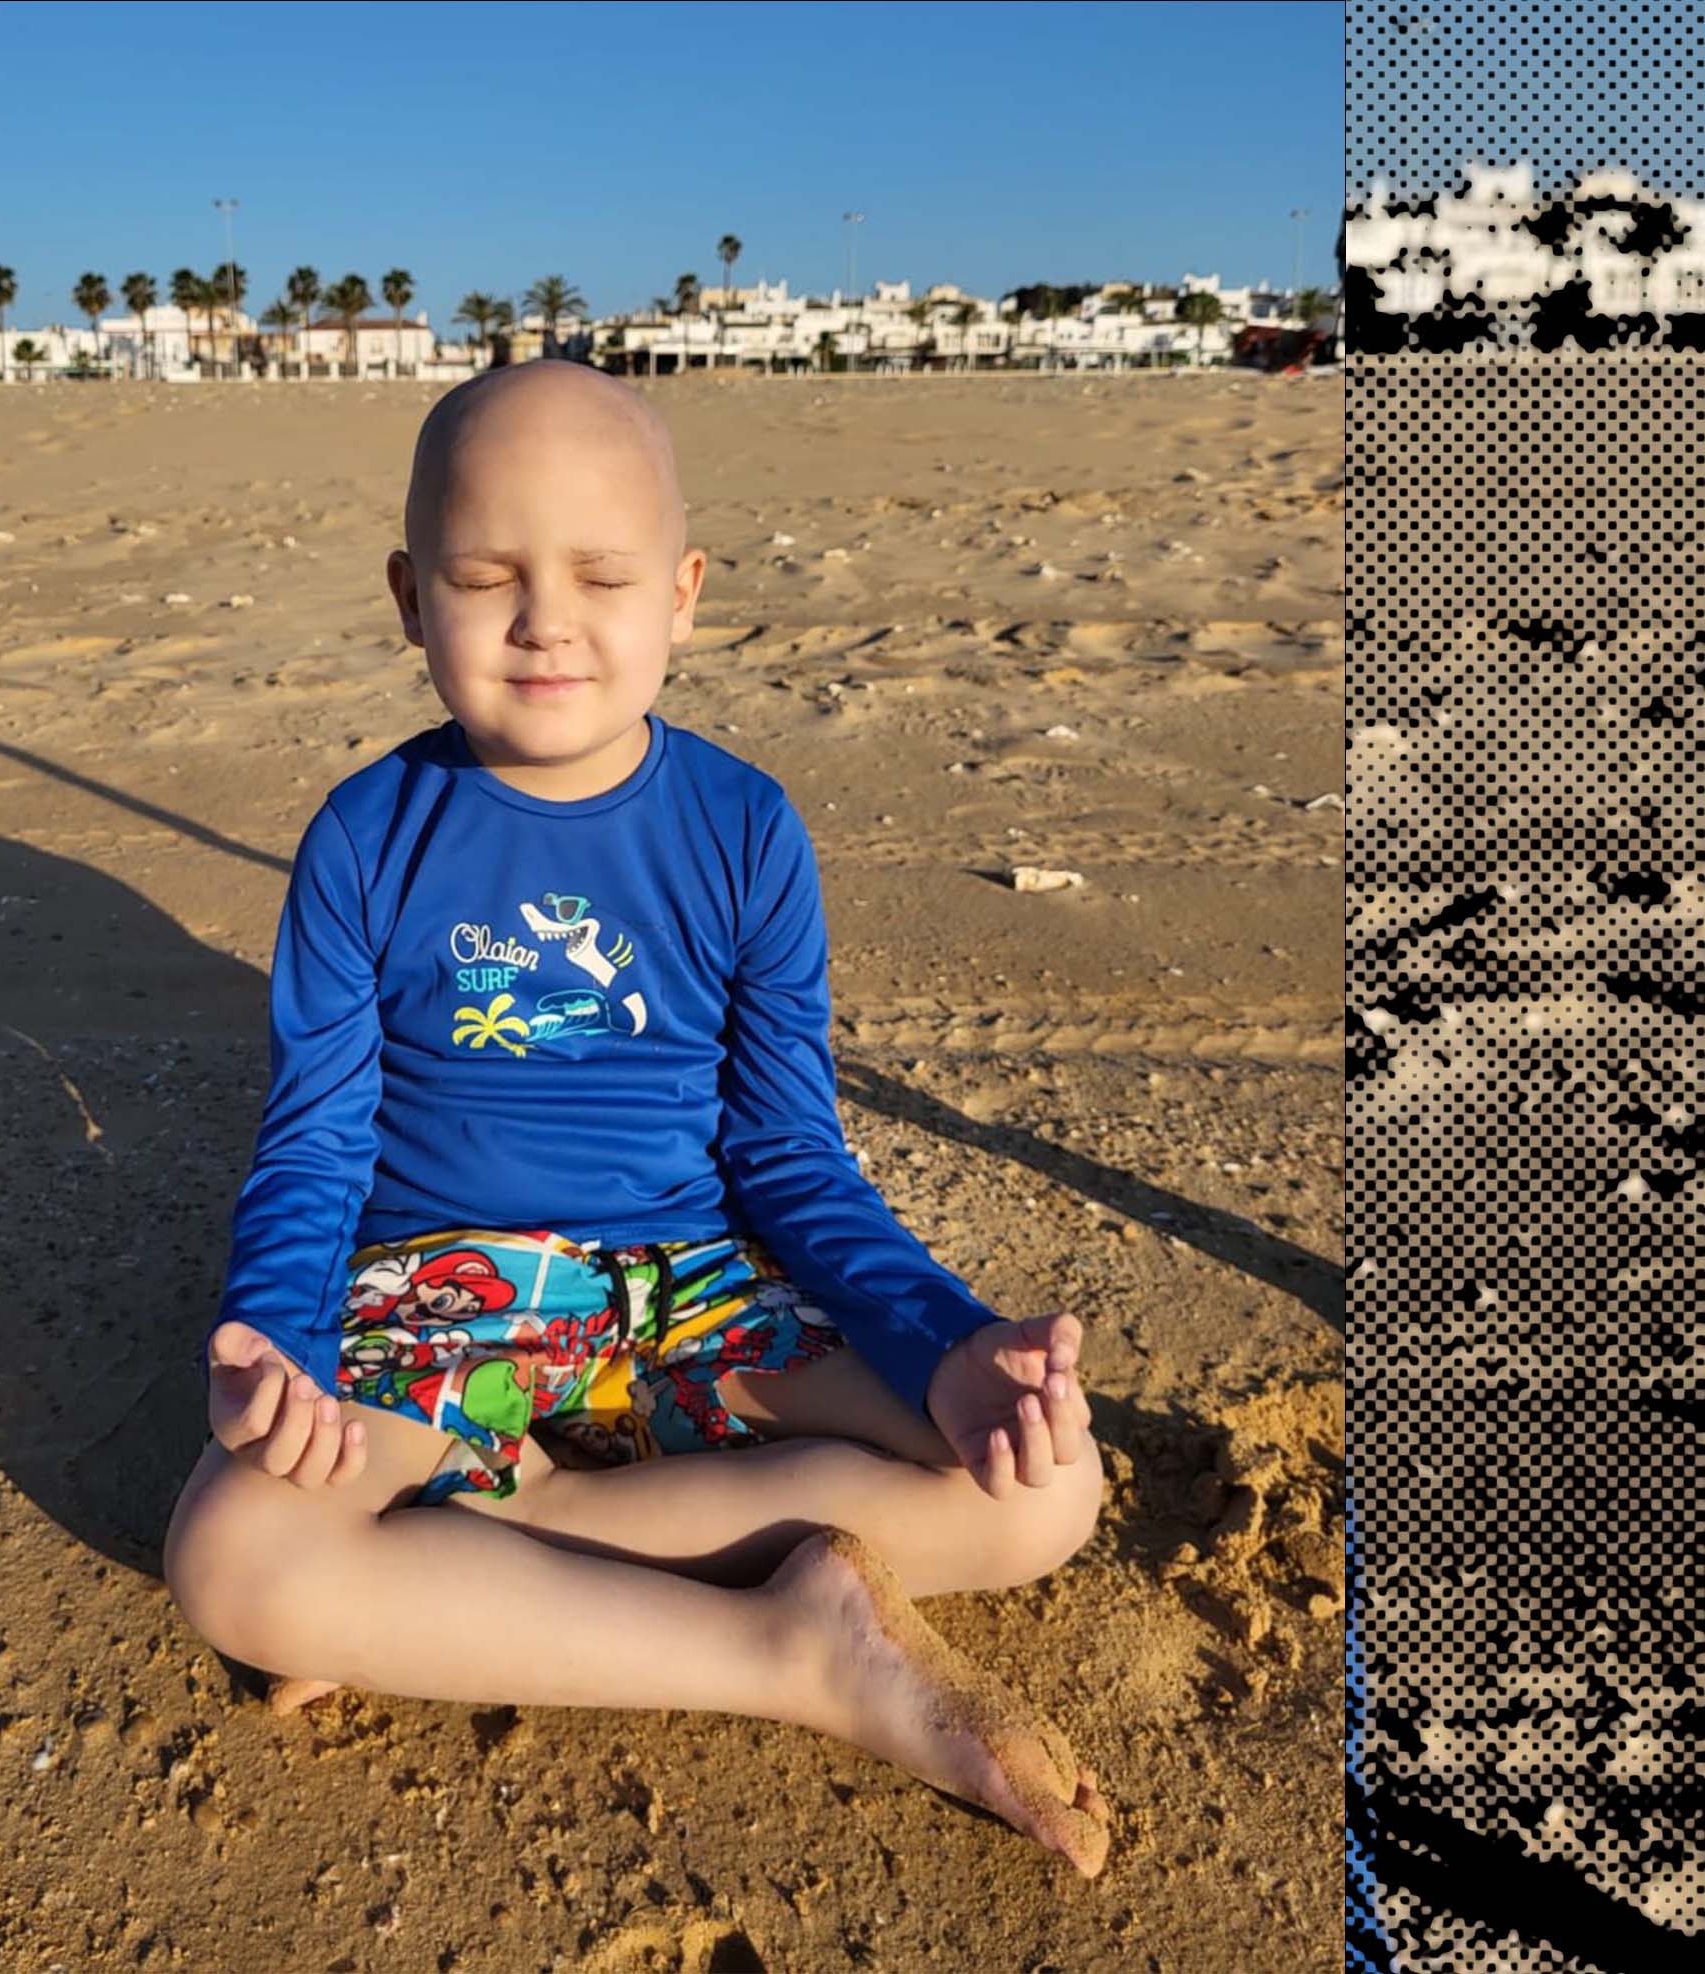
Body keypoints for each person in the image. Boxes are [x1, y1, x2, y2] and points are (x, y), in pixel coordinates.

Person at [159, 358, 1111, 1875]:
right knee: (230, 1548)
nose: (546, 619)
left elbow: (793, 1154)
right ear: (411, 597)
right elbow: (318, 1140)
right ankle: (787, 1651)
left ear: (682, 593)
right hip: (442, 1297)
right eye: (488, 576)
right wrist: (276, 1348)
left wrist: (942, 1345)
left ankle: (467, 1580)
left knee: (1044, 1482)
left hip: (695, 1293)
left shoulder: (743, 831)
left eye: (600, 574)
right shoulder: (364, 834)